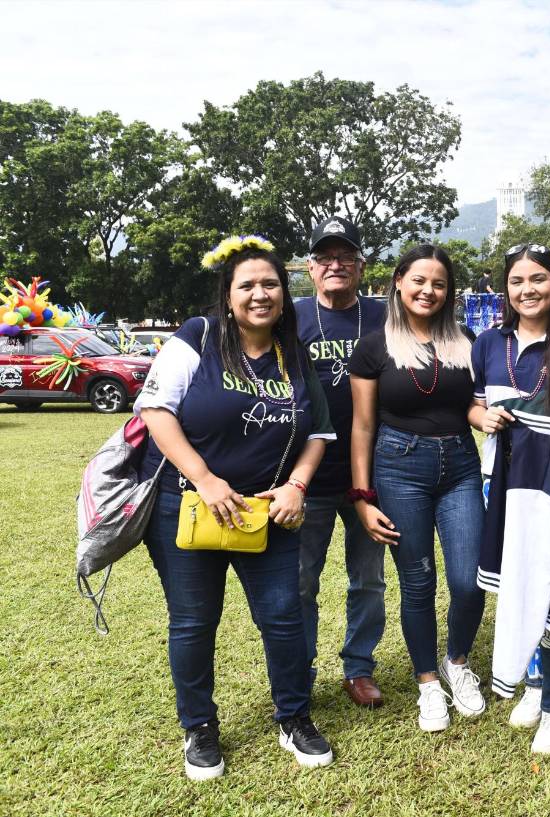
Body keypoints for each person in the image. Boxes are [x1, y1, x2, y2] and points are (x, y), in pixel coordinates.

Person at [136, 236, 336, 780]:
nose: (260, 294)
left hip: (267, 513)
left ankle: (294, 717)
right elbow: (155, 410)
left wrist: (297, 485)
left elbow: (318, 432)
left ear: (284, 293)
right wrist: (205, 480)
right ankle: (199, 728)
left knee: (284, 618)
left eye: (270, 284)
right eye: (247, 285)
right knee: (193, 622)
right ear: (228, 294)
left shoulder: (293, 354)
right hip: (187, 505)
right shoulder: (197, 337)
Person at [349, 243, 485, 733]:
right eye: (419, 281)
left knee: (469, 580)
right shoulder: (374, 347)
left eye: (439, 284)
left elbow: (471, 404)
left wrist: (483, 416)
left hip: (461, 465)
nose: (428, 290)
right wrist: (362, 497)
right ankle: (427, 680)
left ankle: (457, 662)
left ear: (449, 291)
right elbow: (362, 426)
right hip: (399, 467)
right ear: (399, 282)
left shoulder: (466, 341)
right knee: (418, 580)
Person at [469, 243, 550, 753]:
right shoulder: (487, 343)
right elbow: (474, 408)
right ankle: (535, 682)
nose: (528, 290)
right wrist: (484, 418)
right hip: (500, 485)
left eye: (539, 279)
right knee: (518, 587)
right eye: (518, 281)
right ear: (506, 289)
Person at [294, 216, 389, 709]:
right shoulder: (290, 317)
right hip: (305, 475)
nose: (336, 265)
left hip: (370, 476)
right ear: (311, 268)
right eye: (326, 258)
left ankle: (359, 667)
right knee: (300, 581)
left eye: (346, 257)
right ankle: (299, 669)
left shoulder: (385, 317)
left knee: (368, 579)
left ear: (361, 266)